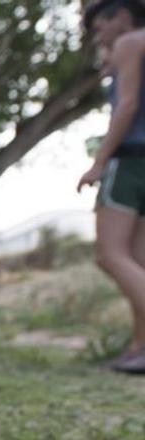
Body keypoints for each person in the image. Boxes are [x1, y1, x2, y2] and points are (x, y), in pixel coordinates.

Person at [78, 0, 145, 373]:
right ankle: (140, 346)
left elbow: (128, 104)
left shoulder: (130, 43)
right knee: (137, 260)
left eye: (100, 26)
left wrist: (99, 161)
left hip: (132, 158)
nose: (97, 35)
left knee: (110, 254)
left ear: (121, 16)